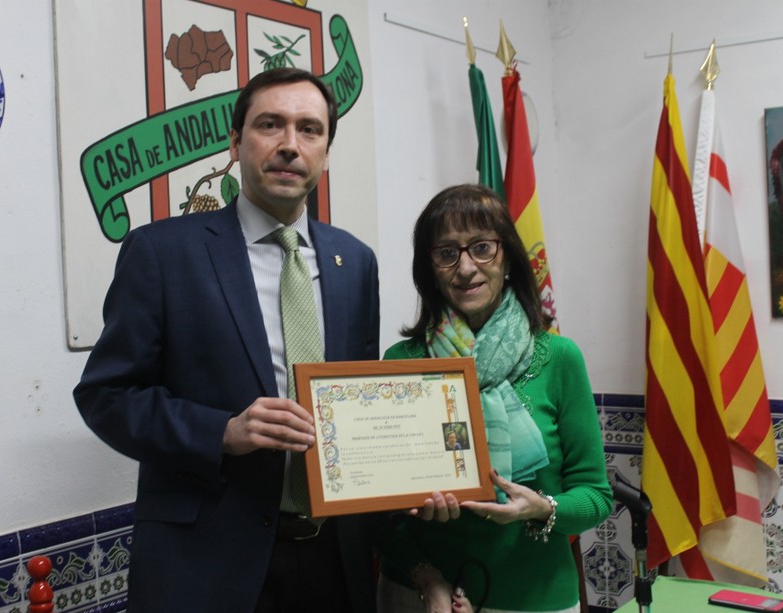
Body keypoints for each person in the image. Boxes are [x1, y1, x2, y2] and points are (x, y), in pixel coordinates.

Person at [73, 67, 381, 613]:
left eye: (309, 129)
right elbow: (106, 396)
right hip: (206, 564)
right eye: (270, 124)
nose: (290, 145)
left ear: (326, 153)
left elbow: (357, 401)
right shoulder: (162, 253)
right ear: (235, 142)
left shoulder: (354, 261)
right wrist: (222, 431)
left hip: (334, 558)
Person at [375, 184, 612, 613]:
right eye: (447, 253)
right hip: (423, 596)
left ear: (508, 259)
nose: (466, 268)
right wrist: (426, 578)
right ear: (430, 268)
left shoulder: (560, 358)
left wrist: (540, 507)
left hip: (535, 599)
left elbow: (596, 497)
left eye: (482, 248)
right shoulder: (401, 362)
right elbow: (381, 512)